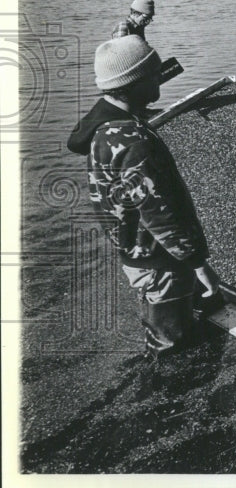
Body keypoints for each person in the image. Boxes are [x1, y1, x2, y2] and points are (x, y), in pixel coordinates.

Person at [67, 35, 220, 357]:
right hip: (162, 260)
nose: (160, 79)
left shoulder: (105, 129)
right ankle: (168, 393)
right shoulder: (134, 141)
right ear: (135, 83)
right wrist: (197, 264)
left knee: (162, 316)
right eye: (153, 75)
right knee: (170, 345)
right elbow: (159, 213)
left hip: (135, 251)